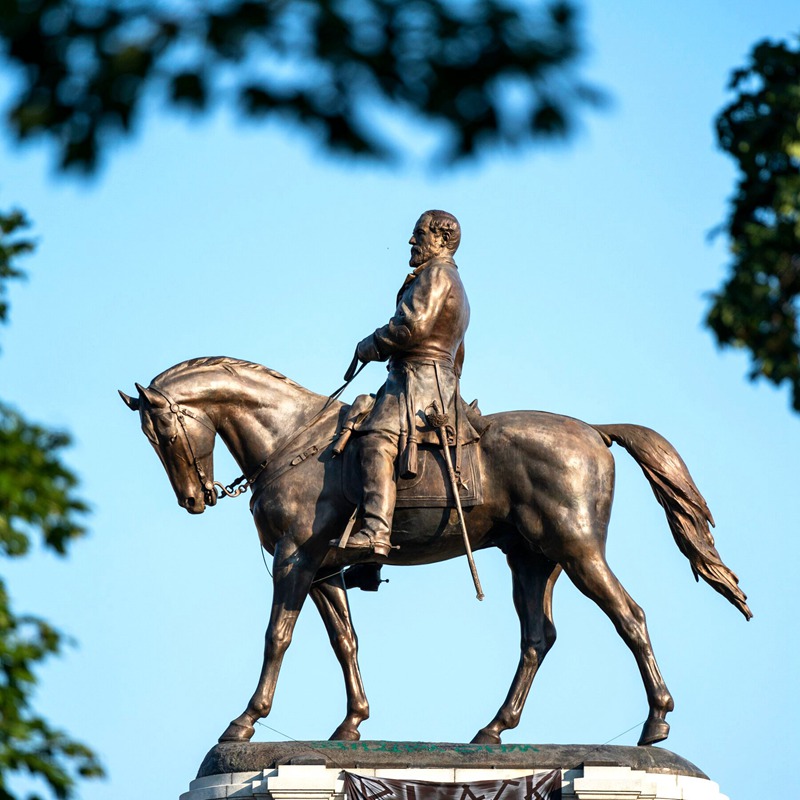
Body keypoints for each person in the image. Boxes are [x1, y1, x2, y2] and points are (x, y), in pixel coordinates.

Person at [338, 209, 477, 556]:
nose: (411, 240)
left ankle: (375, 532)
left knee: (377, 441)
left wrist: (370, 344)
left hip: (420, 383)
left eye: (419, 234)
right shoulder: (448, 280)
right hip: (427, 379)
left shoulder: (437, 276)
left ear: (442, 240)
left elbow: (410, 327)